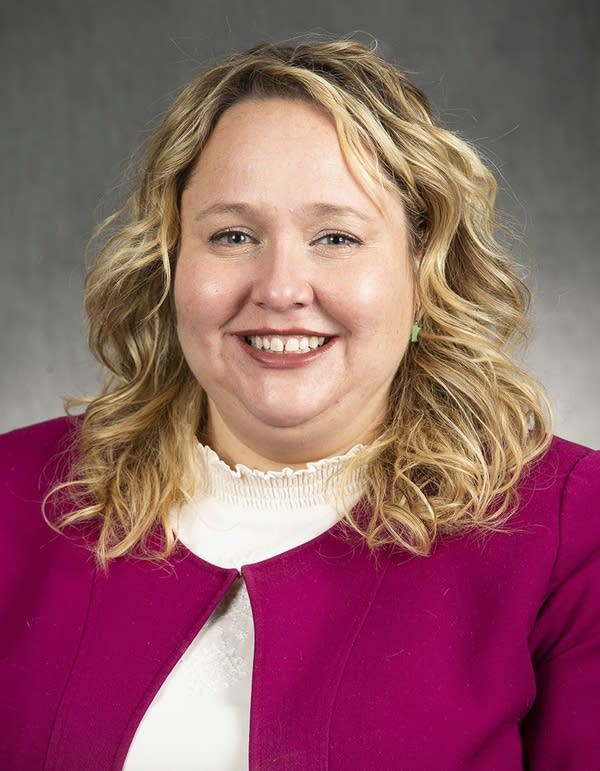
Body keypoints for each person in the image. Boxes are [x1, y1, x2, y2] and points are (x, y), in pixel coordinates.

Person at [1, 40, 598, 770]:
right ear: (169, 265)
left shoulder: (571, 530)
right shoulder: (14, 492)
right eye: (233, 235)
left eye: (337, 237)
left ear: (425, 275)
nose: (281, 287)